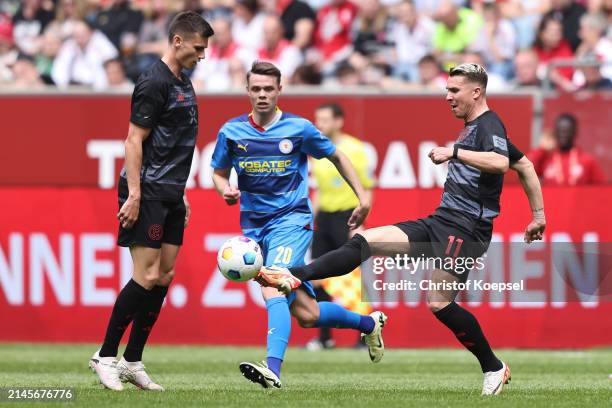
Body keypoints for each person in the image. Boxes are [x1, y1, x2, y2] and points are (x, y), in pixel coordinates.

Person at [257, 63, 547, 395]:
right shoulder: (475, 126)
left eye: (455, 90)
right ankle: (296, 274)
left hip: (467, 230)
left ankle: (494, 368)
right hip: (443, 220)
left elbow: (499, 163)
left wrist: (453, 152)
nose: (447, 96)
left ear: (476, 92)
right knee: (366, 241)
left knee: (439, 303)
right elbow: (523, 164)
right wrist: (538, 215)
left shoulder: (489, 123)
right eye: (447, 89)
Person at [211, 61, 386, 390]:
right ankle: (368, 324)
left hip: (292, 220)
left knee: (273, 282)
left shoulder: (298, 128)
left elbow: (336, 156)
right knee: (307, 314)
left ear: (279, 91)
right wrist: (226, 190)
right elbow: (219, 173)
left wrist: (362, 196)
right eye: (256, 89)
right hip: (254, 229)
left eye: (268, 89)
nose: (262, 95)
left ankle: (272, 368)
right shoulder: (230, 132)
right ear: (247, 91)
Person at [88, 11, 214, 392]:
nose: (202, 55)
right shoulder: (153, 81)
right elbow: (133, 140)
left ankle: (132, 360)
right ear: (177, 41)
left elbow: (174, 143)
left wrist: (183, 191)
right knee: (144, 276)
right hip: (147, 192)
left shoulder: (184, 80)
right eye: (198, 47)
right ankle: (105, 355)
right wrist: (136, 195)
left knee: (164, 276)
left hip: (172, 192)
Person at [307, 102, 375, 350]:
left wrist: (360, 222)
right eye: (317, 119)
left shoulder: (354, 149)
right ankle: (324, 338)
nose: (319, 124)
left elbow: (366, 187)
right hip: (324, 217)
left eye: (324, 119)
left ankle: (364, 335)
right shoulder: (316, 150)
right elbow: (319, 190)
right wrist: (310, 220)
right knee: (316, 276)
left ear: (338, 121)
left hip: (348, 217)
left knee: (354, 277)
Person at [529, 113, 607, 185]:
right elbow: (526, 173)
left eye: (567, 131)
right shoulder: (546, 158)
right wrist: (542, 149)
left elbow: (602, 189)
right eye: (560, 131)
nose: (563, 135)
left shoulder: (587, 160)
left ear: (575, 132)